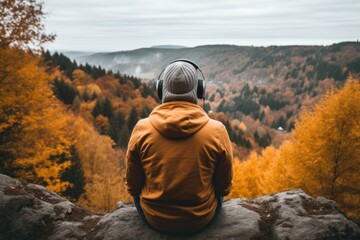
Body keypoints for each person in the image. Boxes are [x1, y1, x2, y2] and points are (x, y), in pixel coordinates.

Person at [125, 59, 233, 235]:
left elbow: (133, 186)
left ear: (161, 89)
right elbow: (224, 187)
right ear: (199, 89)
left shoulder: (141, 128)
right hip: (201, 219)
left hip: (154, 219)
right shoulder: (217, 130)